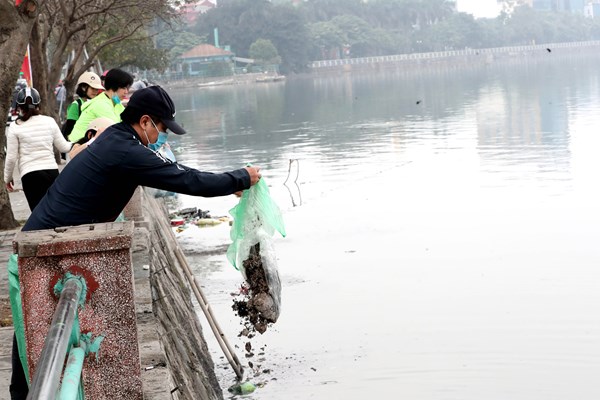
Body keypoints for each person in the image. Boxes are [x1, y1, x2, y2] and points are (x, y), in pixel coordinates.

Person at [9, 86, 261, 398]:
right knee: (34, 364)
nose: (163, 135)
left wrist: (230, 182)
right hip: (39, 260)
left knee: (33, 359)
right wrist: (239, 178)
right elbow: (187, 179)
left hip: (44, 251)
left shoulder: (117, 138)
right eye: (162, 128)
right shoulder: (126, 152)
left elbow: (179, 174)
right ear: (145, 121)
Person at [4, 87, 73, 212]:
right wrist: (81, 141)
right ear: (38, 104)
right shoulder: (49, 121)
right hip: (51, 172)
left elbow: (11, 158)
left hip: (30, 176)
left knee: (38, 215)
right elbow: (64, 147)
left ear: (19, 106)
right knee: (55, 211)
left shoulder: (15, 126)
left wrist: (7, 178)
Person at [68, 68, 133, 143]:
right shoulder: (101, 104)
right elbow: (117, 130)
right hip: (78, 147)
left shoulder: (116, 103)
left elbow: (126, 123)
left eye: (127, 88)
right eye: (124, 88)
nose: (126, 92)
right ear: (113, 86)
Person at [61, 71, 104, 139]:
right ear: (83, 87)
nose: (95, 91)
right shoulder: (76, 105)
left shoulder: (97, 103)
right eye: (92, 88)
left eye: (97, 89)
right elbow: (70, 128)